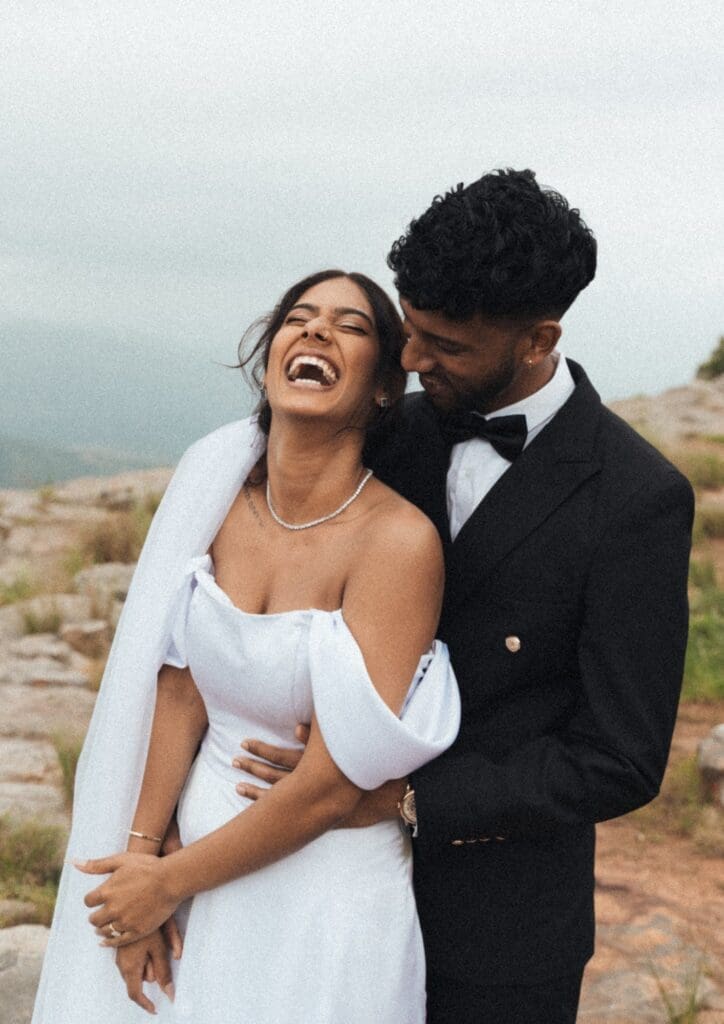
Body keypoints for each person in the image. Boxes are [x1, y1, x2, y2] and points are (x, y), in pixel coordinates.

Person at [233, 170, 695, 1024]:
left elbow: (620, 757)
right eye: (410, 330)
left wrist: (406, 801)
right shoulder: (385, 431)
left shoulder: (637, 499)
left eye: (442, 344)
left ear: (538, 338)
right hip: (319, 885)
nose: (409, 361)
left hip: (498, 930)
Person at [31, 270, 461, 1023]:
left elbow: (332, 786)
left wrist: (168, 883)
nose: (318, 330)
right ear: (270, 361)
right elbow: (180, 687)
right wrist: (143, 860)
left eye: (351, 326)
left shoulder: (398, 543)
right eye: (299, 316)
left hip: (320, 899)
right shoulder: (217, 497)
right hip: (192, 883)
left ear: (387, 387)